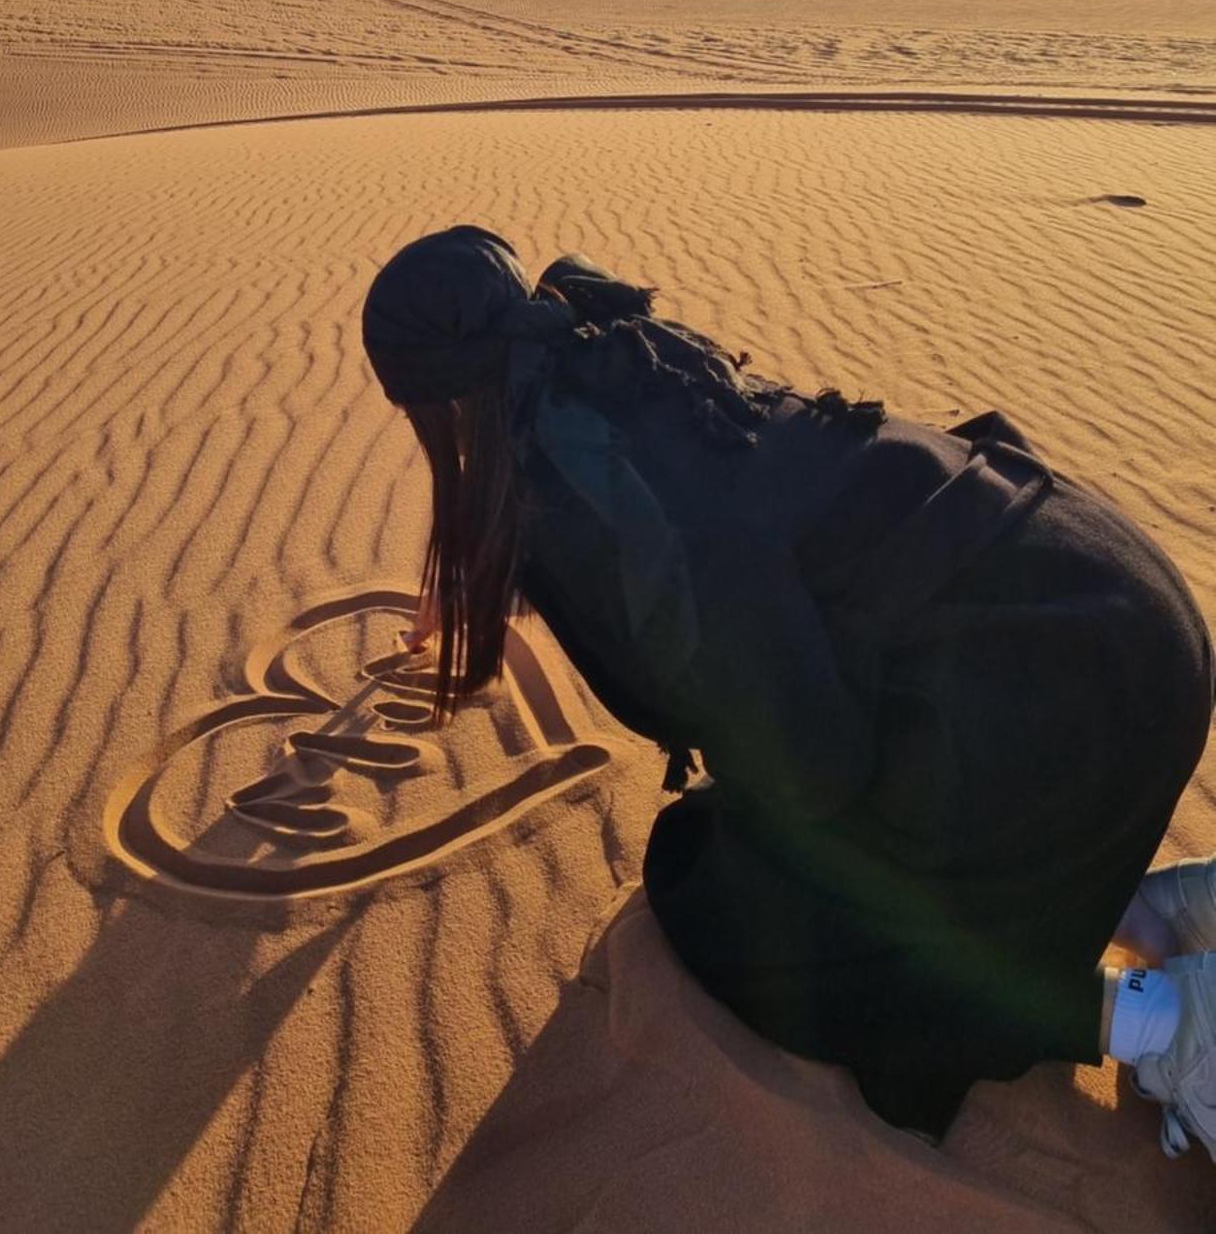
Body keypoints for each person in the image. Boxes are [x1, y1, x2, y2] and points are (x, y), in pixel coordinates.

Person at [360, 224, 1216, 1154]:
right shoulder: (614, 359)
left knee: (739, 911)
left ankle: (1170, 1027)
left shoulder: (588, 502)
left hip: (1059, 706)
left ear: (437, 407)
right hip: (1116, 599)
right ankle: (1148, 906)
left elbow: (815, 766)